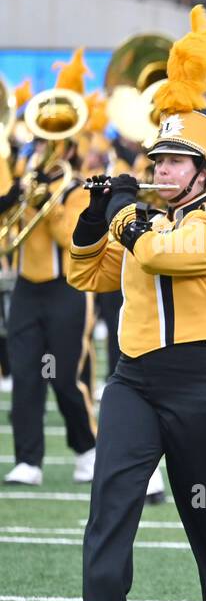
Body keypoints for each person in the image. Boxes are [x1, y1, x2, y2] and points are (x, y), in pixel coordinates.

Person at [65, 7, 206, 601]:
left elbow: (162, 255)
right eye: (159, 159)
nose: (164, 169)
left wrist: (122, 215)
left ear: (204, 174)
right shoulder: (137, 219)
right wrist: (94, 213)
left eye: (177, 162)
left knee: (204, 506)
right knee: (111, 496)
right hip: (134, 376)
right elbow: (88, 273)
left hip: (203, 377)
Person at [1, 49, 97, 489]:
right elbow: (6, 235)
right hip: (26, 288)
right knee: (25, 375)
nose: (42, 148)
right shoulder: (25, 181)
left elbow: (73, 240)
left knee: (61, 374)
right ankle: (28, 460)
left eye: (51, 141)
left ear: (69, 146)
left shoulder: (77, 187)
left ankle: (86, 448)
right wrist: (19, 200)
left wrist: (48, 203)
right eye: (39, 140)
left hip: (66, 289)